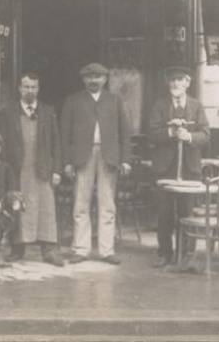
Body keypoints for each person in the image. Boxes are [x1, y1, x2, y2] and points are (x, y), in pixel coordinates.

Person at [61, 63, 132, 265]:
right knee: (80, 203)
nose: (93, 81)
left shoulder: (115, 100)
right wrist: (67, 162)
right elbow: (65, 134)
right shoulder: (73, 101)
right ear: (83, 80)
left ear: (105, 79)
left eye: (98, 77)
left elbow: (125, 133)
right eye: (89, 77)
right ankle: (81, 249)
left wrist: (125, 159)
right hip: (82, 156)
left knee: (107, 203)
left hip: (109, 156)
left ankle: (106, 250)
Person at [146, 66, 210, 269]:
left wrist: (189, 136)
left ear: (187, 83)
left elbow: (206, 135)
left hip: (190, 169)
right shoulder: (159, 105)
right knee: (164, 213)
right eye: (172, 80)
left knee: (187, 213)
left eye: (180, 79)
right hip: (165, 169)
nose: (175, 84)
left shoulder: (197, 106)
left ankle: (187, 255)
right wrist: (171, 133)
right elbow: (152, 134)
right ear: (168, 83)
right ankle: (164, 253)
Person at [1, 72, 65, 267]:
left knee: (46, 207)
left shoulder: (48, 111)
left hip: (43, 167)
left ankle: (49, 250)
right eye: (26, 86)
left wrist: (57, 170)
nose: (30, 90)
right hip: (18, 169)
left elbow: (56, 143)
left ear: (38, 89)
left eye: (34, 87)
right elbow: (2, 142)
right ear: (20, 88)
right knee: (18, 206)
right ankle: (17, 249)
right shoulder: (9, 111)